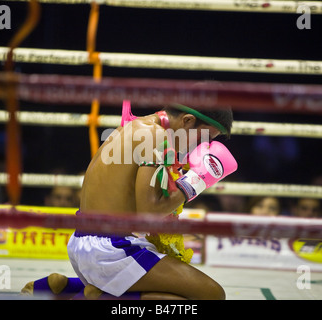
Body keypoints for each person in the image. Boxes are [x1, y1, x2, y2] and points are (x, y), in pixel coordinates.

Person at [22, 101, 237, 300]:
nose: (203, 146)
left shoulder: (139, 127)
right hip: (111, 251)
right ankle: (97, 297)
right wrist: (196, 181)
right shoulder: (156, 137)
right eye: (205, 138)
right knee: (212, 295)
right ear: (188, 120)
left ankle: (65, 287)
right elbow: (148, 214)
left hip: (88, 241)